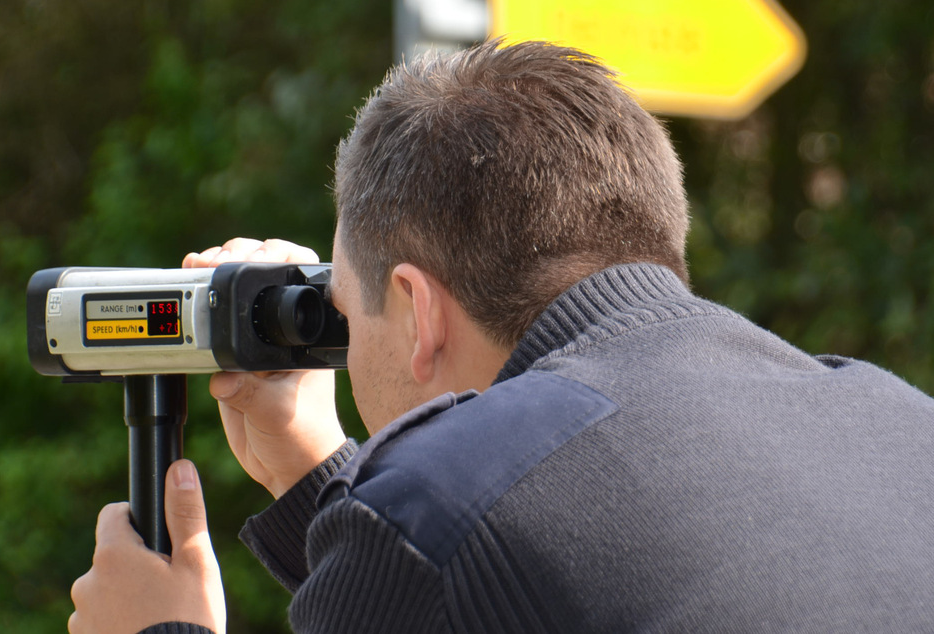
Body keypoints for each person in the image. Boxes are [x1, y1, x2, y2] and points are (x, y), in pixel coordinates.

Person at [68, 40, 934, 634]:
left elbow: (461, 526)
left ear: (417, 310)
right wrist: (311, 468)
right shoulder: (893, 421)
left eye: (344, 306)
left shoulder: (435, 506)